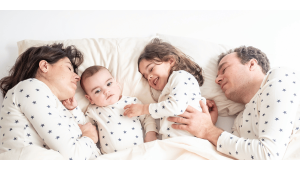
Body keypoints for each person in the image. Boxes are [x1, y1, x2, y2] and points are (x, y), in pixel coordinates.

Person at [168, 46, 300, 160]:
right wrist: (208, 124)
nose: (217, 80)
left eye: (224, 69)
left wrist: (208, 130)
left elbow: (268, 155)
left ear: (252, 64)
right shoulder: (239, 121)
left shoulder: (279, 77)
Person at [0, 44, 100, 160]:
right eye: (69, 68)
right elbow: (73, 157)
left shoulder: (57, 105)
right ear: (44, 66)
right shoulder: (30, 87)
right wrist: (89, 137)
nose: (77, 77)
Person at [123, 38, 218, 139]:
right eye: (145, 77)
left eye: (151, 69)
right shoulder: (166, 93)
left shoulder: (180, 76)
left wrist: (144, 109)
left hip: (186, 142)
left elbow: (176, 106)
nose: (149, 77)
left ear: (171, 61)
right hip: (176, 142)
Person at [80, 66, 158, 154]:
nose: (106, 91)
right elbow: (83, 125)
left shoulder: (131, 102)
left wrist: (151, 134)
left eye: (109, 84)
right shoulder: (93, 110)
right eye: (97, 91)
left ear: (116, 83)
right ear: (90, 99)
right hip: (111, 158)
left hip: (137, 153)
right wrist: (73, 109)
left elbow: (147, 117)